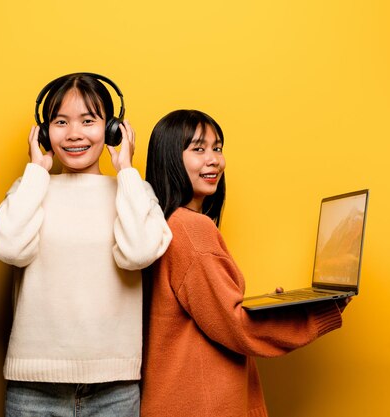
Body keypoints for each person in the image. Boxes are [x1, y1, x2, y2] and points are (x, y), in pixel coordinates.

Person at [141, 109, 348, 417]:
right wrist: (317, 313)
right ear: (169, 158)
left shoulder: (161, 225)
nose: (214, 159)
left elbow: (211, 315)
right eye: (198, 149)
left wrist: (274, 308)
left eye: (217, 147)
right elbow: (237, 328)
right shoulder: (191, 229)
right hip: (200, 407)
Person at [0, 72, 172, 416]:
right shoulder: (30, 188)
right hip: (33, 389)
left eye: (88, 121)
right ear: (43, 133)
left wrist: (127, 171)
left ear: (113, 129)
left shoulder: (133, 192)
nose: (74, 134)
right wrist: (36, 172)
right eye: (60, 122)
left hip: (114, 389)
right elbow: (8, 247)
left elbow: (139, 253)